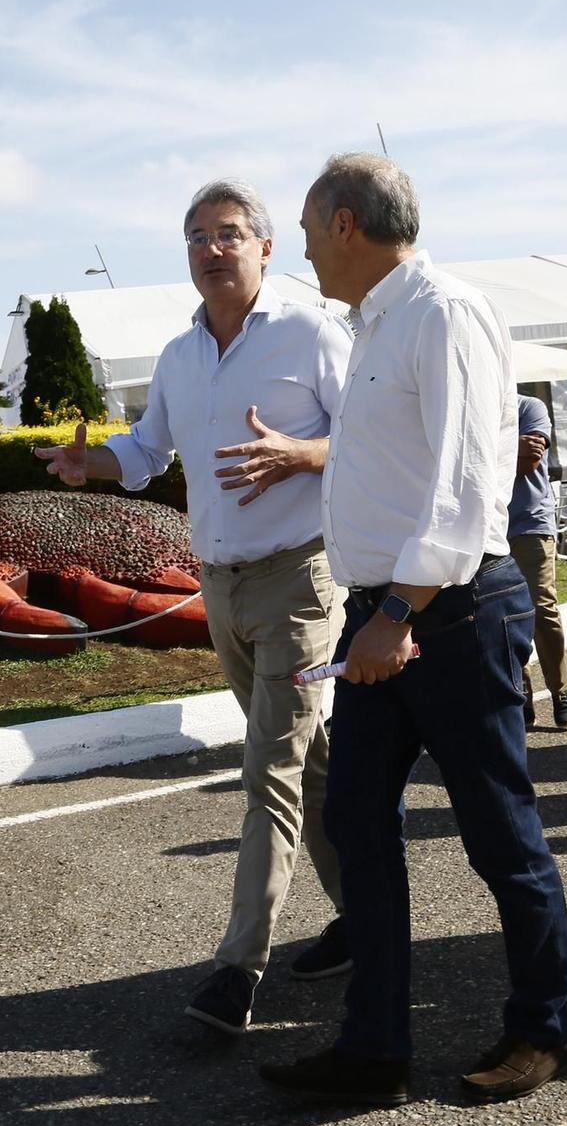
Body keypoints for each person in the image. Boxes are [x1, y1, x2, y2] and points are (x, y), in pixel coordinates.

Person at [258, 154, 567, 1107]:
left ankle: (541, 1028)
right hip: (383, 615)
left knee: (498, 834)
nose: (305, 248)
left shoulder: (443, 311)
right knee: (359, 825)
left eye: (310, 229)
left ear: (346, 223)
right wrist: (377, 612)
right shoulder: (376, 323)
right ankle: (374, 1048)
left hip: (450, 611)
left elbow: (470, 486)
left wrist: (397, 612)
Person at [34, 178, 354, 1035]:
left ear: (265, 249)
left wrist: (302, 452)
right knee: (310, 760)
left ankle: (237, 966)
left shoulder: (311, 331)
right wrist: (90, 463)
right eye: (197, 237)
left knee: (270, 768)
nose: (212, 249)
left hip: (301, 582)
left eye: (229, 233)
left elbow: (367, 436)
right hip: (221, 583)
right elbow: (146, 449)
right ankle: (365, 916)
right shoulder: (178, 356)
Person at [510, 394, 567, 729]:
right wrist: (510, 443)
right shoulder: (469, 406)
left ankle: (560, 687)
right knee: (504, 616)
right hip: (485, 527)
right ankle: (520, 691)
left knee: (541, 607)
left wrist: (483, 447)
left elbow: (529, 461)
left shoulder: (528, 406)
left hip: (530, 523)